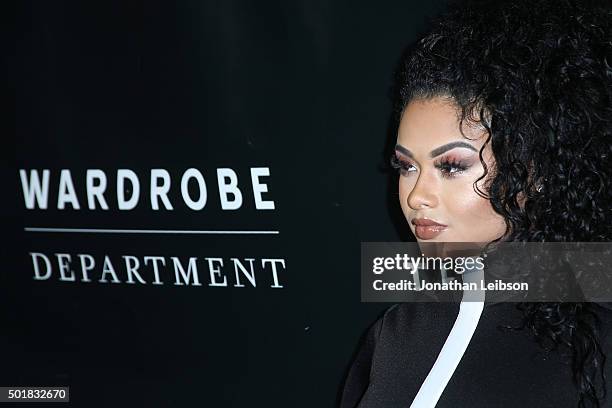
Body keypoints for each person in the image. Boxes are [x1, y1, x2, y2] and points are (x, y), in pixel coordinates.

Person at [339, 0, 612, 406]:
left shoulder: (595, 332)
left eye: (451, 167)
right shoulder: (403, 331)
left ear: (535, 171)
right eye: (406, 166)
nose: (416, 196)